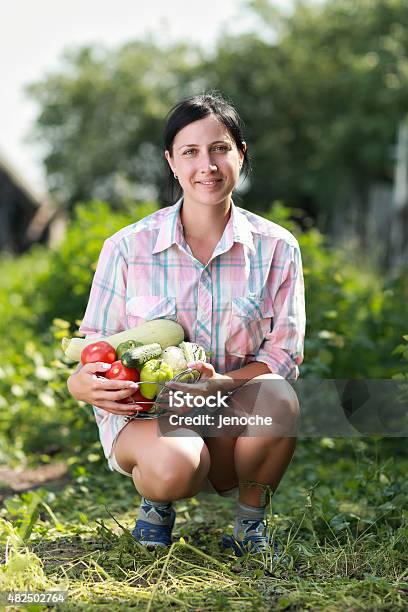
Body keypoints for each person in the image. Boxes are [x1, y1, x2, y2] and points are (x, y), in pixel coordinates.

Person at [67, 91, 306, 556]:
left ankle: (250, 526)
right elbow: (94, 342)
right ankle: (156, 506)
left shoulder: (277, 248)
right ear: (171, 163)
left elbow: (283, 355)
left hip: (228, 412)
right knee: (175, 466)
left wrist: (220, 382)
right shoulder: (126, 247)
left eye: (220, 149)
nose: (207, 166)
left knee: (279, 395)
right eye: (190, 152)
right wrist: (82, 384)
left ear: (241, 154)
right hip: (146, 418)